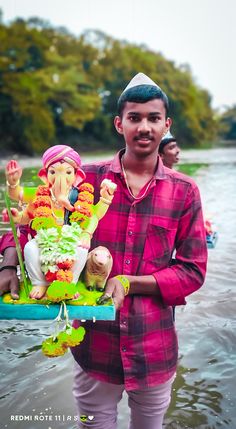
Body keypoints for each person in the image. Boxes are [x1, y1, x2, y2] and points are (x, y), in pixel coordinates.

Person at [0, 72, 207, 429]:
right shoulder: (84, 178)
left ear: (166, 124)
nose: (144, 127)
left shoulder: (184, 191)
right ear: (119, 124)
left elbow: (193, 270)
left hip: (153, 348)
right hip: (93, 347)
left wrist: (129, 282)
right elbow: (25, 226)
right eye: (134, 118)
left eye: (153, 118)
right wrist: (7, 267)